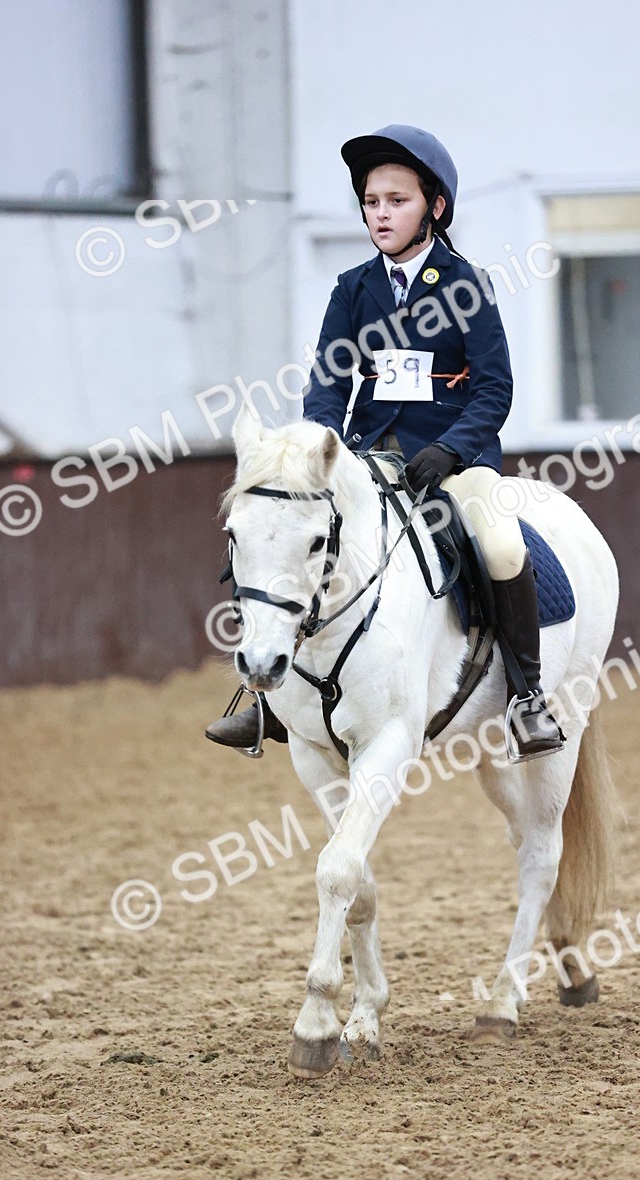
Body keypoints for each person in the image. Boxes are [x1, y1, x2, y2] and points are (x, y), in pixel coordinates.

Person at [207, 124, 563, 760]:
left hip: (454, 462)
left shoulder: (466, 285)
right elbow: (326, 386)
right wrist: (326, 452)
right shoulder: (352, 289)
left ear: (435, 208)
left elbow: (495, 391)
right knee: (286, 537)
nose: (381, 214)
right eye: (372, 202)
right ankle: (267, 701)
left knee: (504, 546)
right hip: (367, 459)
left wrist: (451, 450)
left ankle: (527, 699)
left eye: (397, 201)